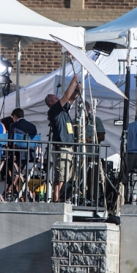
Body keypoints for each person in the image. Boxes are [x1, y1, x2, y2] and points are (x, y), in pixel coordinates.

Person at [45, 74, 80, 202]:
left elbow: (71, 99)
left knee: (66, 175)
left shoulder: (63, 110)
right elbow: (66, 96)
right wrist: (74, 80)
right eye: (55, 98)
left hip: (68, 146)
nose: (58, 98)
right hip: (62, 147)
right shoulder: (54, 110)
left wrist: (76, 90)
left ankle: (58, 197)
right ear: (51, 102)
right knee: (60, 175)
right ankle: (56, 198)